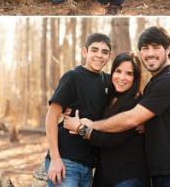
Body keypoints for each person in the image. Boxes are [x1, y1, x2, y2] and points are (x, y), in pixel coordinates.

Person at [75, 27, 170, 187]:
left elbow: (131, 119)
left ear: (168, 49)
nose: (150, 53)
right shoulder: (154, 84)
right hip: (163, 171)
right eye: (145, 48)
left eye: (156, 47)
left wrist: (89, 126)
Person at [63, 52, 149, 187]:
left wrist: (79, 128)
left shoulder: (136, 103)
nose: (122, 77)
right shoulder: (111, 97)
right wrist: (66, 109)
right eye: (118, 71)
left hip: (128, 178)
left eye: (129, 73)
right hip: (105, 176)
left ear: (136, 77)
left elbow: (111, 139)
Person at [44, 33, 111, 187]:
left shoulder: (109, 81)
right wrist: (55, 159)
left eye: (104, 52)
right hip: (66, 160)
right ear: (84, 52)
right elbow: (51, 117)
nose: (99, 55)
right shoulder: (72, 77)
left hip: (88, 165)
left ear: (109, 56)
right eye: (94, 50)